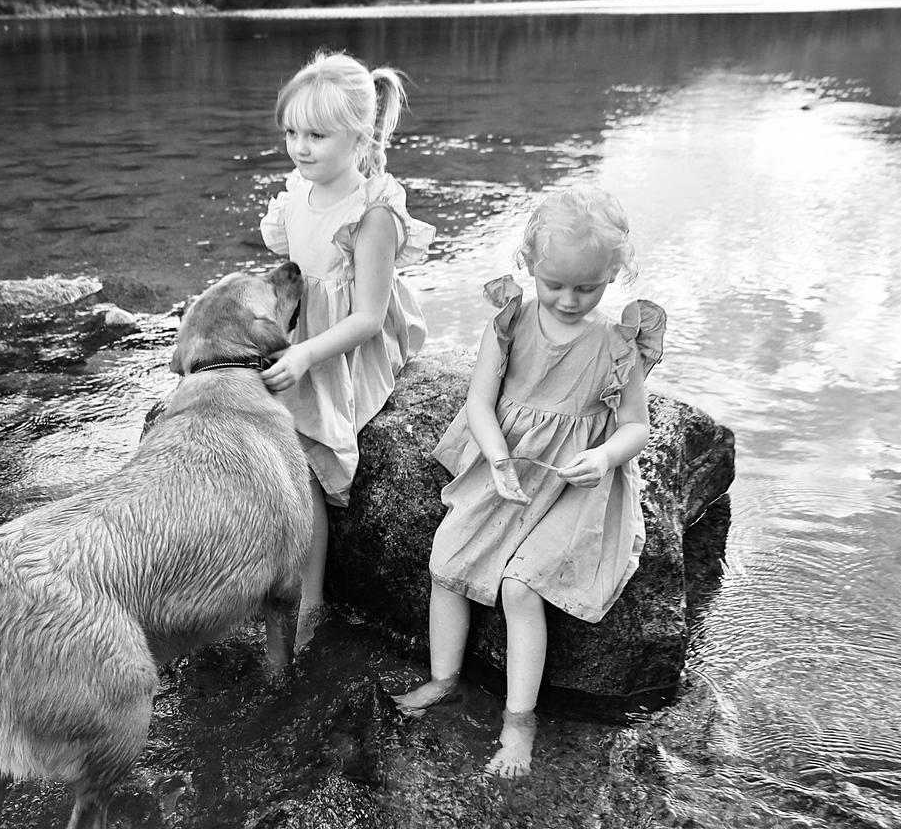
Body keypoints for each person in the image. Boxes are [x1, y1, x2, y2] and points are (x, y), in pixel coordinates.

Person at [390, 186, 666, 779]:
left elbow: (636, 426)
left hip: (575, 482)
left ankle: (519, 722)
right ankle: (443, 678)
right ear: (529, 264)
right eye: (555, 283)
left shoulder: (616, 344)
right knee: (448, 562)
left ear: (613, 275)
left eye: (587, 288)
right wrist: (495, 457)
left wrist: (606, 457)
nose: (568, 299)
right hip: (510, 465)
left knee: (522, 586)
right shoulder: (511, 324)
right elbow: (480, 401)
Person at [258, 50, 435, 648]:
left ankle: (311, 598)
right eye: (291, 133)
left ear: (358, 137)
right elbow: (293, 275)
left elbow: (367, 317)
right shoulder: (296, 195)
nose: (299, 148)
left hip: (349, 342)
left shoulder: (371, 213)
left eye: (315, 135)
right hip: (304, 330)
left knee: (304, 449)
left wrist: (308, 355)